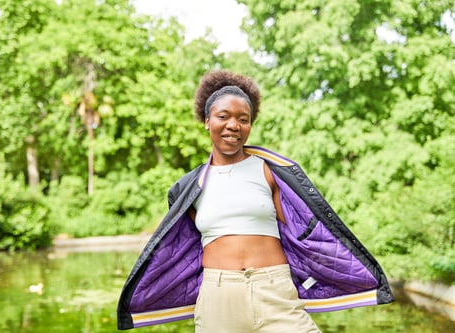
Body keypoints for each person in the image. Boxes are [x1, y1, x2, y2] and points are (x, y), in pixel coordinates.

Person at [116, 71, 394, 332]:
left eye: (243, 119)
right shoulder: (189, 188)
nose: (233, 125)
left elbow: (299, 232)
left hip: (275, 291)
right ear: (207, 121)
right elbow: (186, 248)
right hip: (218, 297)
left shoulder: (272, 171)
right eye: (223, 116)